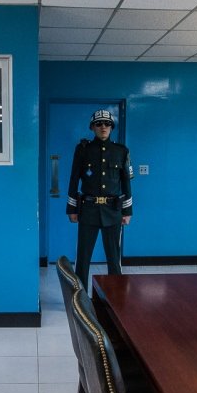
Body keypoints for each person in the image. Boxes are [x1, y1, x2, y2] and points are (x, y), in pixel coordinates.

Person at [66, 109, 133, 289]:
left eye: (107, 124)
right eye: (99, 124)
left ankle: (116, 295)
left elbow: (126, 183)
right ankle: (79, 296)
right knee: (83, 256)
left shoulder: (122, 151)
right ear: (92, 127)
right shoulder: (83, 149)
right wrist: (72, 209)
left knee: (114, 257)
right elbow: (74, 179)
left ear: (112, 127)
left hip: (113, 211)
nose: (103, 127)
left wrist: (127, 211)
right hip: (88, 210)